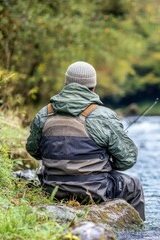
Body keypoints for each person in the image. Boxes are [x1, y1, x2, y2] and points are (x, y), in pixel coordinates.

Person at [26, 61, 145, 220]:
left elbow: (33, 150)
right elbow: (128, 160)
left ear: (66, 84)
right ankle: (136, 231)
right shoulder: (103, 116)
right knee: (133, 184)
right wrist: (105, 163)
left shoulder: (44, 113)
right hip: (94, 192)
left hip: (52, 189)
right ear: (93, 87)